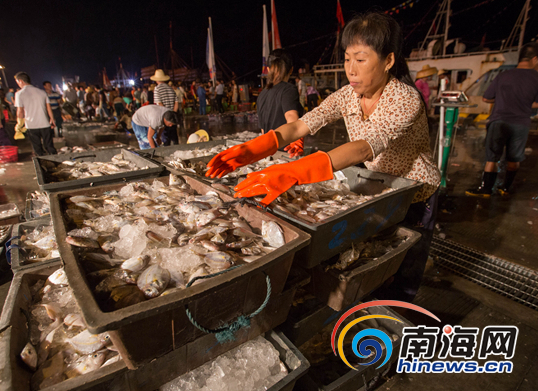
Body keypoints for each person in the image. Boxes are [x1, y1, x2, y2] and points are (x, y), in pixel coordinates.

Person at [206, 12, 441, 303]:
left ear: (389, 60)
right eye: (346, 59)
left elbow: (365, 147)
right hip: (378, 188)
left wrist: (293, 172)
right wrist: (256, 147)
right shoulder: (346, 95)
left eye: (361, 59)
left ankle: (401, 314)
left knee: (406, 261)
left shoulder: (404, 98)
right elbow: (300, 125)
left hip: (414, 193)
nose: (351, 70)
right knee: (375, 257)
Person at [466, 43, 538, 197]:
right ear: (535, 59)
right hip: (521, 123)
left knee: (492, 158)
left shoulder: (503, 75)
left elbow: (486, 98)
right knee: (514, 158)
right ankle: (505, 188)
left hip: (499, 121)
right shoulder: (536, 78)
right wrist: (524, 103)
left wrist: (503, 99)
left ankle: (486, 189)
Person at [256, 49, 304, 157]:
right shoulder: (289, 90)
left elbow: (263, 132)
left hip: (269, 154)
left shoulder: (261, 95)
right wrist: (295, 140)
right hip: (287, 154)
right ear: (291, 70)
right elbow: (292, 116)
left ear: (268, 70)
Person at [14, 72, 57, 155]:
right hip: (45, 123)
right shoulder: (42, 92)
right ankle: (55, 162)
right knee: (49, 146)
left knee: (37, 147)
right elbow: (48, 107)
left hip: (31, 125)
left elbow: (20, 111)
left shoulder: (19, 94)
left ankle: (41, 164)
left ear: (21, 81)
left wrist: (19, 123)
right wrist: (52, 119)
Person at [152, 69, 180, 145]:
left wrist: (166, 115)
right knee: (175, 139)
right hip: (172, 118)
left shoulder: (157, 89)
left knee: (166, 141)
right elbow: (176, 103)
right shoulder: (171, 89)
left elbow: (159, 104)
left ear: (157, 80)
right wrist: (173, 114)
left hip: (164, 118)